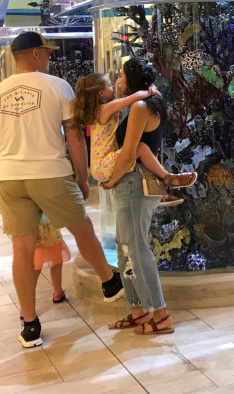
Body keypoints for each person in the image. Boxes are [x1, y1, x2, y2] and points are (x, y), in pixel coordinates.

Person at [0, 32, 124, 349]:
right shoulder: (57, 86)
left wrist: (2, 177)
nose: (48, 57)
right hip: (49, 172)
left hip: (9, 176)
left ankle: (30, 325)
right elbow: (74, 136)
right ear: (34, 54)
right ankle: (108, 280)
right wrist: (83, 176)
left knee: (22, 249)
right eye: (45, 52)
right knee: (81, 226)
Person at [102, 58, 174, 335]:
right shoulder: (143, 102)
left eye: (121, 76)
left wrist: (112, 179)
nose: (119, 81)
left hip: (134, 181)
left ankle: (160, 313)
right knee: (124, 246)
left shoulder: (141, 107)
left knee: (135, 247)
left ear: (131, 79)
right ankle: (138, 308)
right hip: (129, 181)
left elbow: (130, 152)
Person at [72, 73, 195, 204]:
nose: (113, 87)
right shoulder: (104, 109)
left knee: (137, 149)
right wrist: (149, 91)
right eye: (109, 86)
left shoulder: (100, 111)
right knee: (140, 148)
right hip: (102, 165)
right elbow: (131, 99)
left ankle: (162, 192)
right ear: (101, 93)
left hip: (100, 165)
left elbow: (118, 102)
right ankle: (167, 177)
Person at [34, 215, 71, 304]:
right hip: (49, 222)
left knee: (35, 263)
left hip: (32, 224)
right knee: (56, 258)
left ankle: (26, 302)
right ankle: (58, 292)